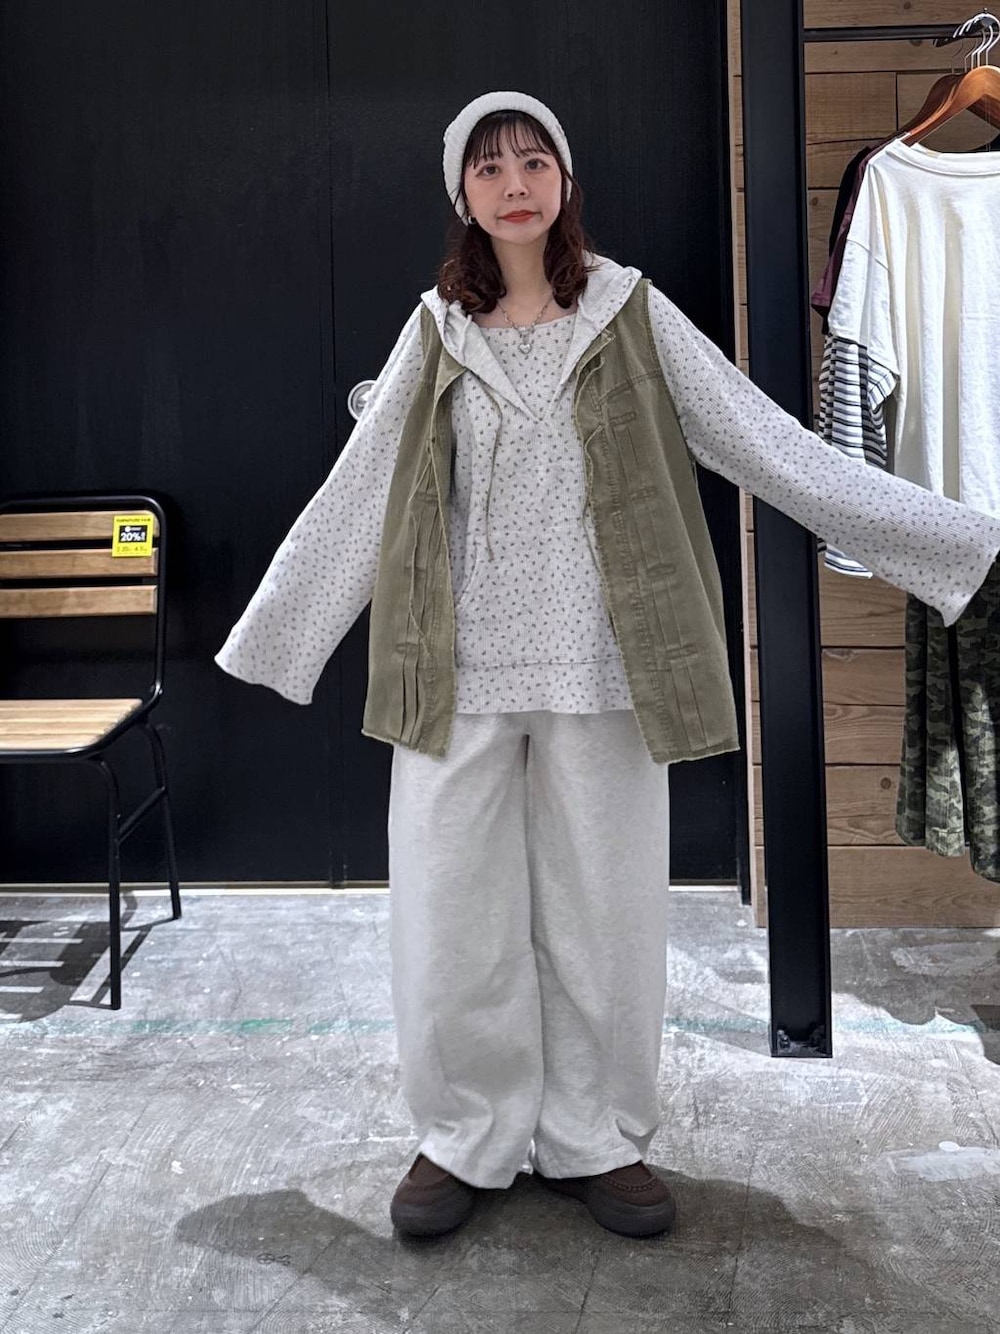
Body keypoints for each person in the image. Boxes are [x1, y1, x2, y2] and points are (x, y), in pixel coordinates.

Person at [216, 91, 1000, 1240]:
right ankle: (463, 1135)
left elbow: (767, 443)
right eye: (489, 167)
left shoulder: (628, 310)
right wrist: (275, 638)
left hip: (606, 664)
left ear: (565, 181)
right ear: (461, 194)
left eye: (534, 160)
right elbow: (358, 489)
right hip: (455, 674)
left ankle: (597, 1136)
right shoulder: (435, 329)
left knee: (608, 915)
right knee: (448, 917)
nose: (514, 182)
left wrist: (958, 539)